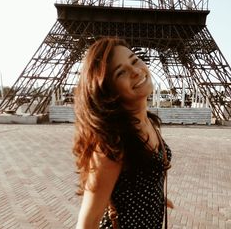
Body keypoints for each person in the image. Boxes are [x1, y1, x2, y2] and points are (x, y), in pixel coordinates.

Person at [73, 37, 173, 229]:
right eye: (121, 73)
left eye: (135, 60)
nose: (135, 71)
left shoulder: (148, 122)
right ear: (109, 91)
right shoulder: (112, 144)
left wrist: (156, 199)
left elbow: (138, 183)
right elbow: (87, 223)